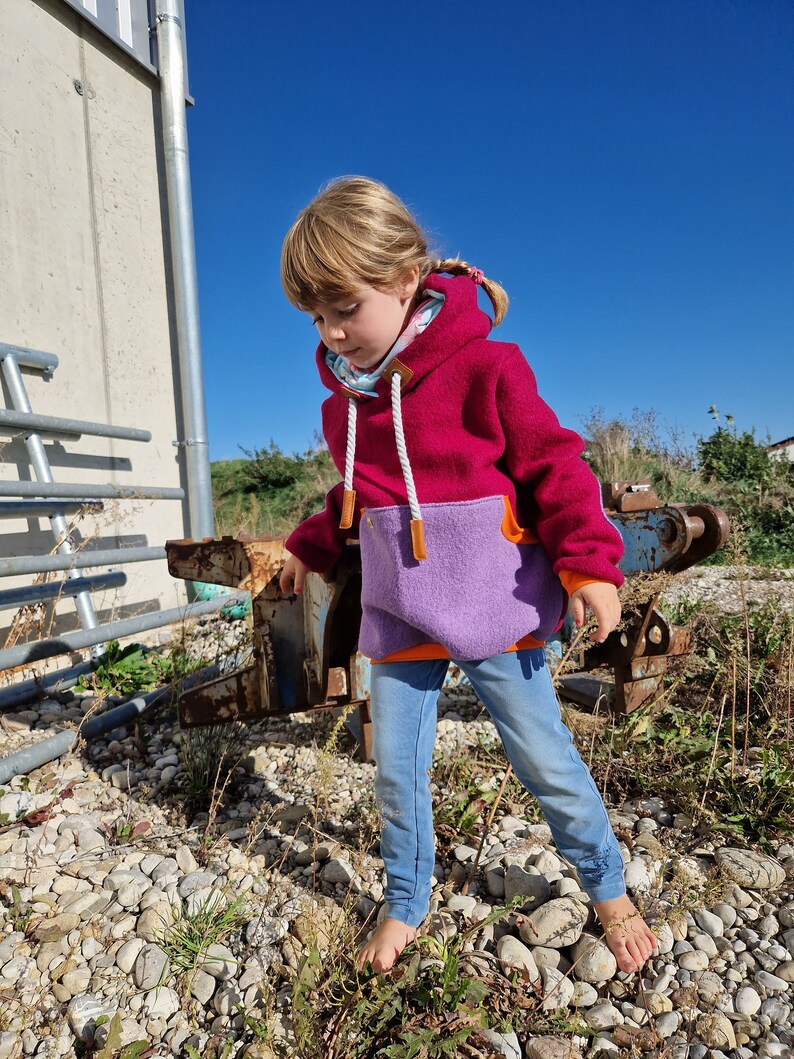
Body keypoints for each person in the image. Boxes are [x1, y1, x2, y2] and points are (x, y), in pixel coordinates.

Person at [278, 176, 658, 976]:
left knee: (544, 755)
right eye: (317, 316)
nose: (333, 332)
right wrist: (304, 548)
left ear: (406, 277)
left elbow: (556, 467)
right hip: (401, 611)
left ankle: (608, 887)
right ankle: (406, 897)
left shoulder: (488, 367)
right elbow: (353, 497)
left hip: (497, 603)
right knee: (395, 766)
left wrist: (591, 565)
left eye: (346, 307)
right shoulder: (343, 407)